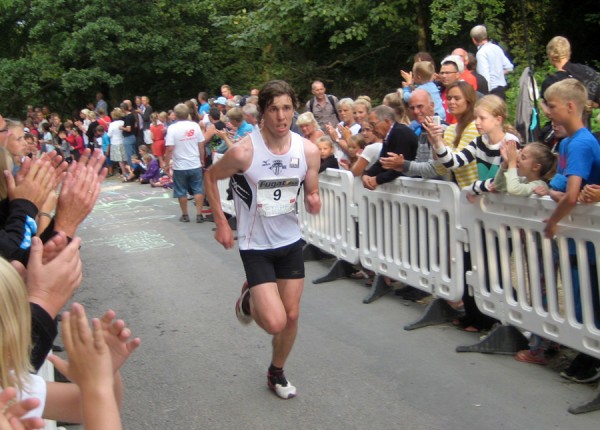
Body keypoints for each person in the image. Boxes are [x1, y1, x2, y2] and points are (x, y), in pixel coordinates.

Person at [204, 80, 321, 399]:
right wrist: (221, 223)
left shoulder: (307, 150)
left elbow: (311, 187)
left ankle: (277, 372)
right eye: (274, 109)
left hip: (290, 242)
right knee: (274, 322)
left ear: (294, 110)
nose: (281, 116)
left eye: (287, 108)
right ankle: (249, 297)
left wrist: (313, 197)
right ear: (262, 114)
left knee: (292, 316)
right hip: (256, 245)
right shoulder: (244, 151)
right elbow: (211, 177)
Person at [431, 94, 520, 195]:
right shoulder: (479, 141)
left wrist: (473, 188)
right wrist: (437, 142)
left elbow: (500, 182)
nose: (477, 122)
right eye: (476, 118)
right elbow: (453, 162)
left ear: (498, 120)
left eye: (482, 118)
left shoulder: (510, 142)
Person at [164, 103, 206, 223]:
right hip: (195, 163)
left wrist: (167, 164)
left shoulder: (172, 128)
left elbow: (170, 148)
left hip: (180, 165)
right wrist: (202, 158)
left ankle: (185, 214)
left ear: (175, 115)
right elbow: (201, 144)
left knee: (181, 190)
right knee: (198, 189)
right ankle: (199, 214)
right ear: (187, 113)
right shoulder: (195, 126)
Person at [361, 105, 418, 190]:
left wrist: (377, 180)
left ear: (387, 121)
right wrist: (367, 174)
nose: (372, 130)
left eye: (373, 125)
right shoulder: (389, 135)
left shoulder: (400, 133)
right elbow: (382, 161)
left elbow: (398, 167)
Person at [470, 24, 513, 99]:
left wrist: (486, 96)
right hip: (501, 90)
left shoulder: (481, 53)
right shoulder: (496, 48)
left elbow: (484, 76)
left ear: (474, 40)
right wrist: (498, 72)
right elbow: (509, 67)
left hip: (491, 92)